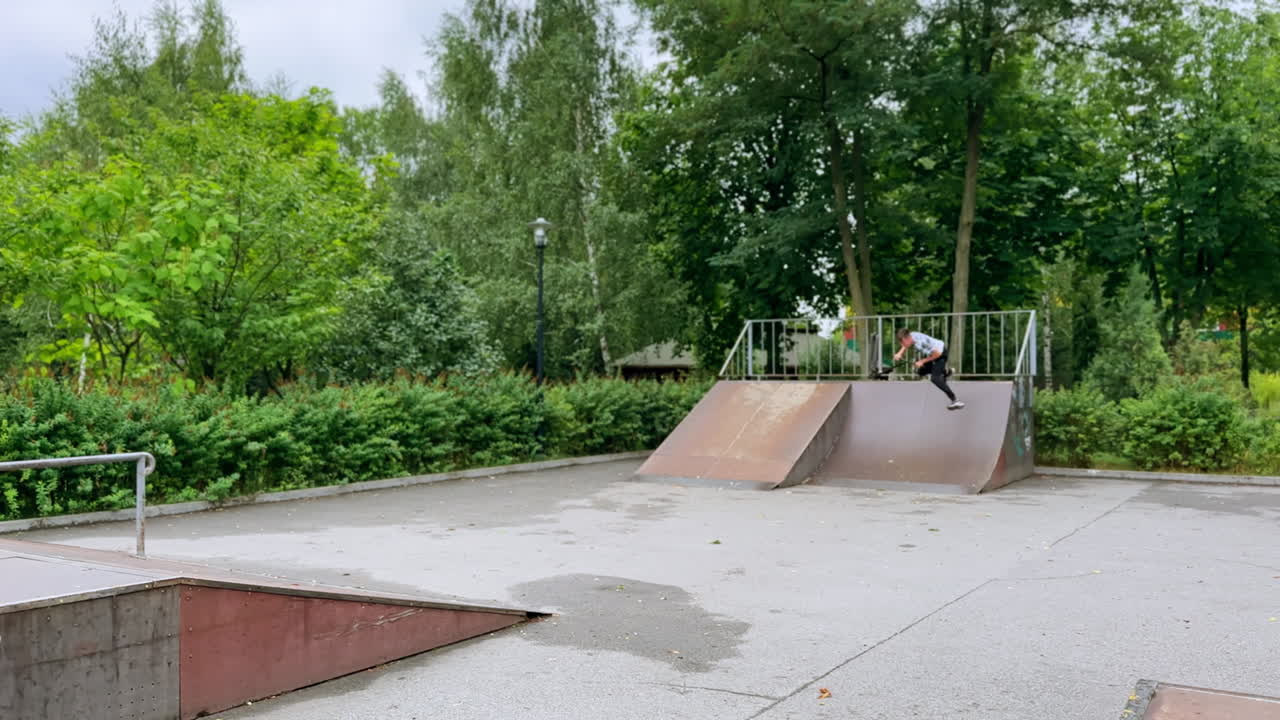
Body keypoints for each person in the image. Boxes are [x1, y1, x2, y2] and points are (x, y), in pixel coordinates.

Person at [893, 327, 964, 410]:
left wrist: (922, 361)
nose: (902, 345)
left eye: (903, 342)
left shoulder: (922, 342)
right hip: (934, 354)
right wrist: (899, 353)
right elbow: (905, 345)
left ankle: (955, 400)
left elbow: (937, 354)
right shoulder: (911, 335)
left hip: (941, 355)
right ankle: (946, 372)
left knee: (935, 379)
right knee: (921, 371)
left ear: (907, 338)